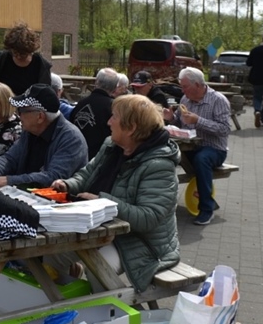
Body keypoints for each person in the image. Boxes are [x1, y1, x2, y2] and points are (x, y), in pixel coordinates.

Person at [50, 95, 181, 293]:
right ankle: (65, 303)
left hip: (137, 242)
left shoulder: (159, 165)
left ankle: (108, 311)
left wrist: (102, 202)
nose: (108, 122)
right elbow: (87, 174)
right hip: (101, 230)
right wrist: (67, 185)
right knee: (52, 256)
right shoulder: (111, 145)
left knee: (98, 271)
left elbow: (149, 217)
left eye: (114, 117)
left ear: (131, 127)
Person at [0, 83, 87, 188]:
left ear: (40, 117)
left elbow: (52, 177)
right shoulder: (31, 130)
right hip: (26, 196)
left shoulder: (71, 139)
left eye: (21, 111)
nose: (18, 115)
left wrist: (7, 181)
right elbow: (10, 159)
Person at [163, 68, 230, 226]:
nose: (183, 90)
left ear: (198, 85)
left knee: (202, 159)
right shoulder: (185, 99)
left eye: (185, 86)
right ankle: (162, 203)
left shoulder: (218, 100)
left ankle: (206, 209)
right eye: (182, 86)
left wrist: (198, 121)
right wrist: (171, 118)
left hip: (214, 149)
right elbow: (181, 124)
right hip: (190, 146)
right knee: (164, 154)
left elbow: (224, 129)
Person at [0, 22, 52, 94]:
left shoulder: (41, 65)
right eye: (15, 53)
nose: (18, 56)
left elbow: (46, 94)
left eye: (23, 54)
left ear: (30, 50)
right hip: (3, 101)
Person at [69, 68, 118, 159]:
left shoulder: (80, 104)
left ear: (96, 82)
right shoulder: (114, 107)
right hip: (100, 159)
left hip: (76, 155)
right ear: (115, 88)